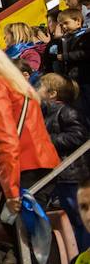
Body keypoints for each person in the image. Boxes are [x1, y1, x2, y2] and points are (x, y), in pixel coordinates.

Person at [0, 41, 60, 215]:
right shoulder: (15, 85)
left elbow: (5, 137)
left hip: (18, 173)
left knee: (23, 238)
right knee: (39, 236)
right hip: (36, 166)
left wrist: (11, 190)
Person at [39, 73, 90, 250]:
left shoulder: (67, 111)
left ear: (52, 93)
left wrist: (47, 139)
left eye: (41, 88)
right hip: (60, 175)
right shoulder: (47, 114)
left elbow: (79, 135)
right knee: (73, 220)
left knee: (81, 219)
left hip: (73, 174)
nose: (38, 91)